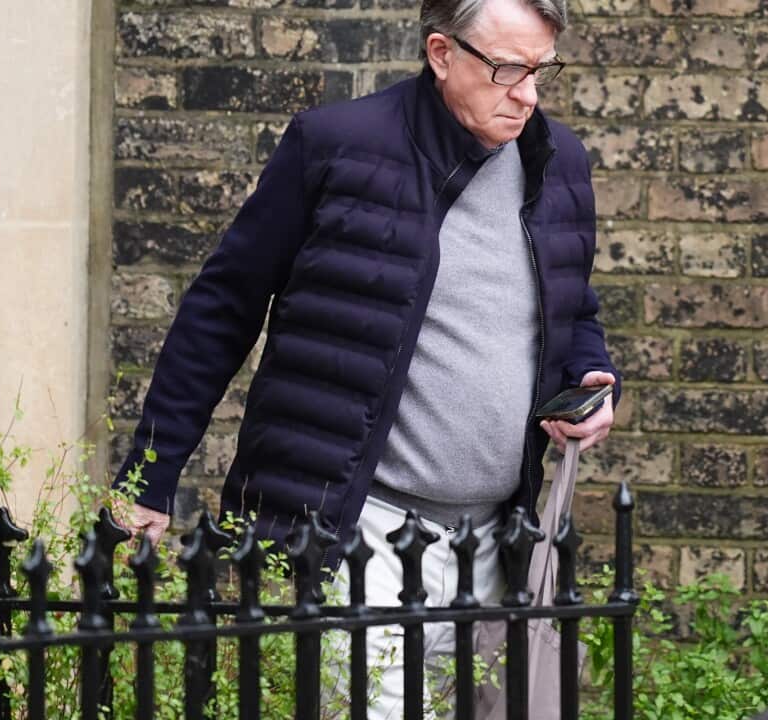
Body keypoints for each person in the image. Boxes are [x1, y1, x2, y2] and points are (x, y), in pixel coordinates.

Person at [116, 0, 619, 714]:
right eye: (508, 69)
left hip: (497, 539)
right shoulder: (337, 145)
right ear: (442, 54)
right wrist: (150, 472)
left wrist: (590, 379)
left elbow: (572, 305)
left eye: (541, 70)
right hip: (362, 532)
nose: (529, 94)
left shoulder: (556, 159)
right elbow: (223, 307)